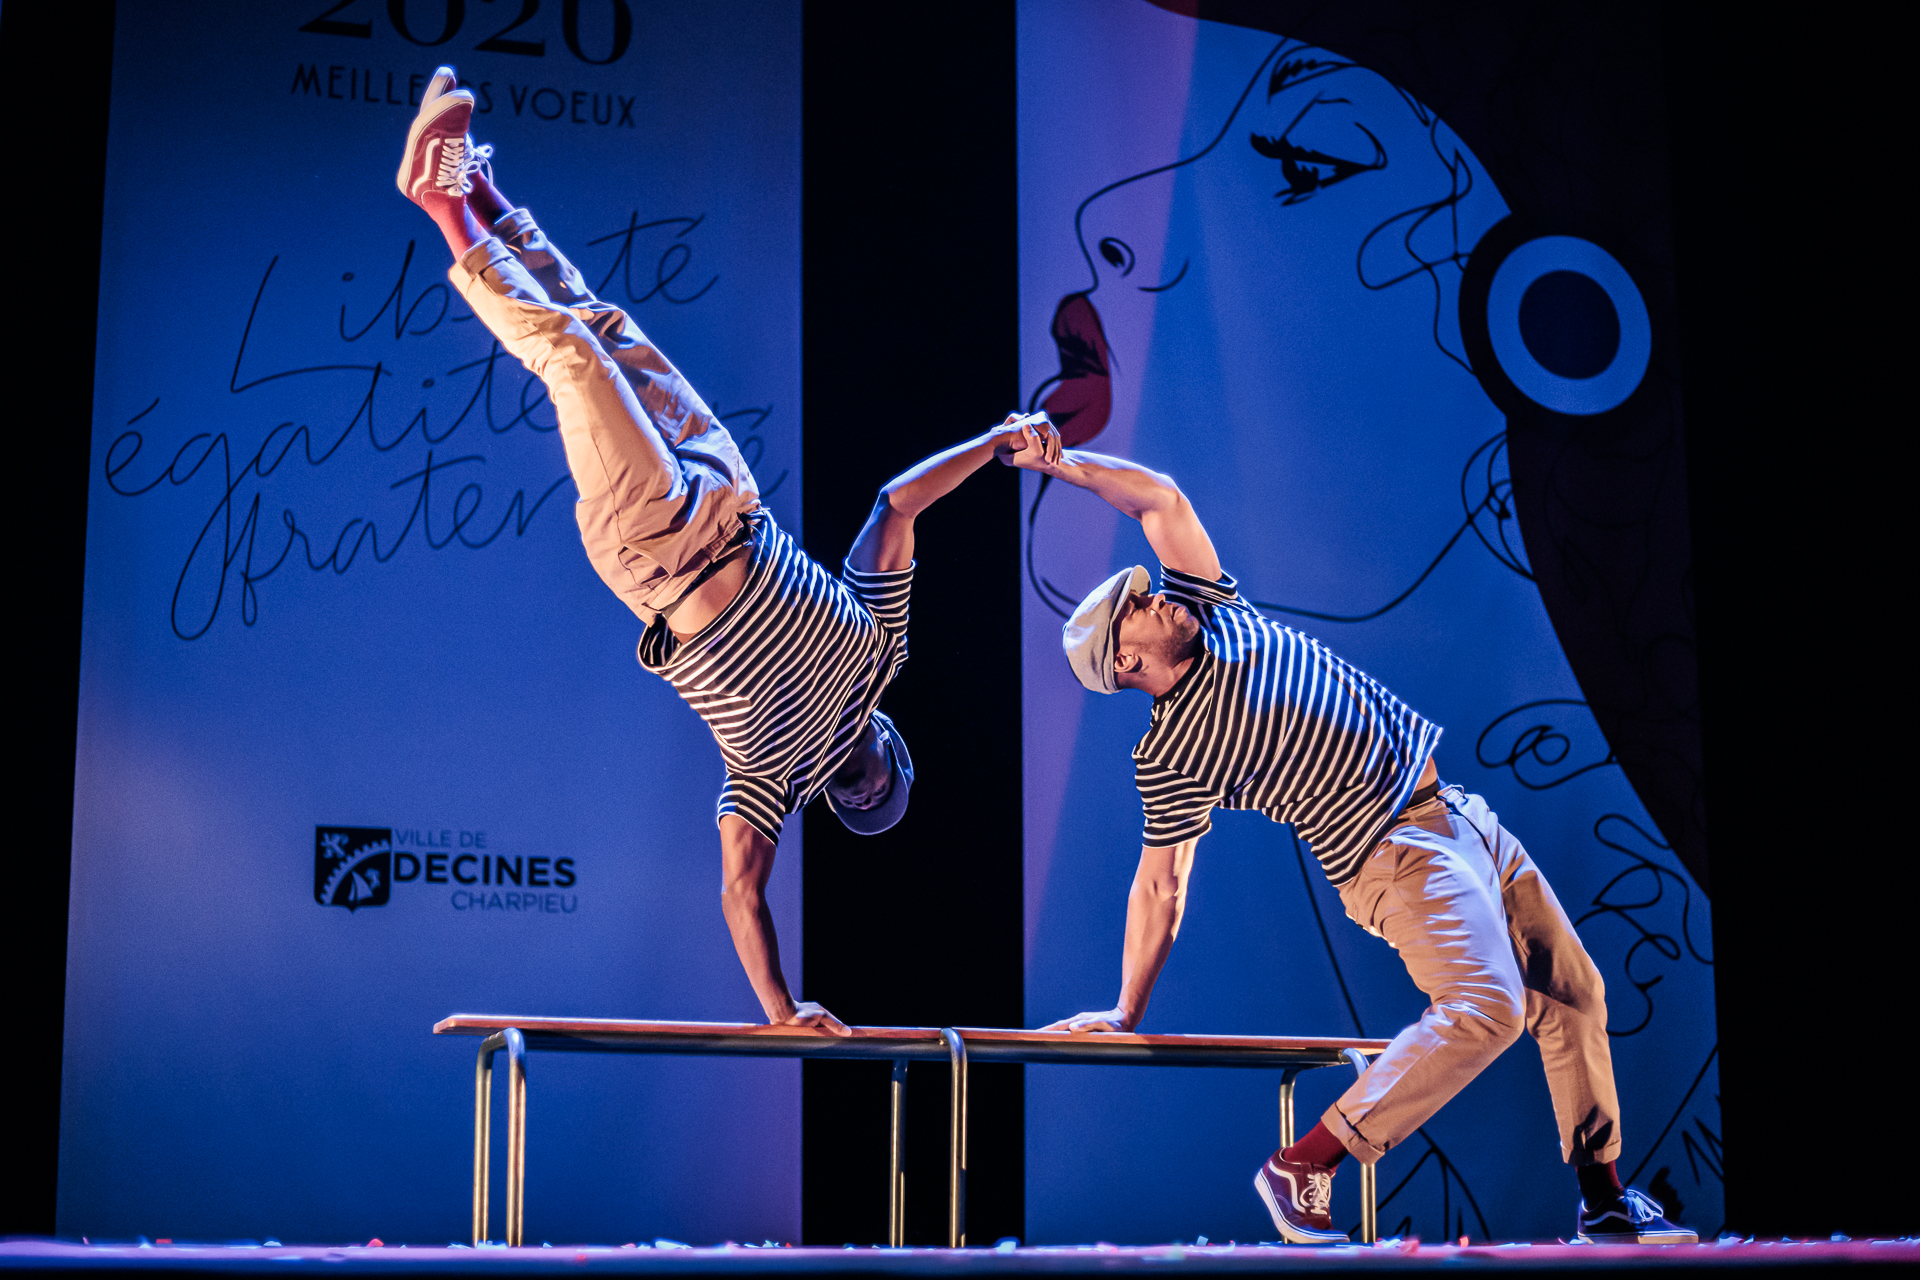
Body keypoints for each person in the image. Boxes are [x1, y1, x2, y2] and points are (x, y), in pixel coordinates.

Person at [395, 68, 1061, 1036]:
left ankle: (441, 200)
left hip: (660, 547)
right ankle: (486, 188)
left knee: (572, 358)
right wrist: (993, 442)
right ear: (895, 749)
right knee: (604, 326)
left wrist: (781, 1009)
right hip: (727, 489)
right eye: (883, 787)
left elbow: (742, 892)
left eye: (861, 804)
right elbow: (897, 502)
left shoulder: (769, 777)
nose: (867, 789)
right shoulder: (882, 648)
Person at [1010, 442, 1694, 1247]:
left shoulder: (1215, 609)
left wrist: (1062, 463)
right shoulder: (1170, 754)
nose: (1157, 595)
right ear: (1125, 659)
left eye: (1148, 590)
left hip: (1461, 818)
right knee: (1486, 1008)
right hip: (1391, 855)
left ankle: (1604, 1199)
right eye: (1139, 606)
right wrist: (1127, 1009)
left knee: (1572, 992)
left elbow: (1159, 499)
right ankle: (1304, 1164)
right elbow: (1162, 882)